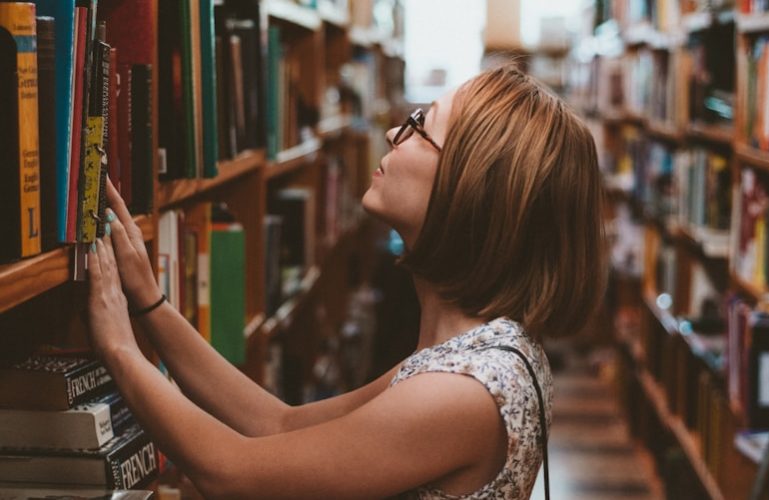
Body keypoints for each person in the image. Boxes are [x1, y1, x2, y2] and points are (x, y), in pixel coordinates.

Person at [87, 64, 606, 499]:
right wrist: (150, 304)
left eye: (420, 126)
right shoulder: (468, 353)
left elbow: (231, 472)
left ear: (471, 188)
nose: (391, 133)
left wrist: (118, 347)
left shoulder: (463, 390)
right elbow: (279, 425)